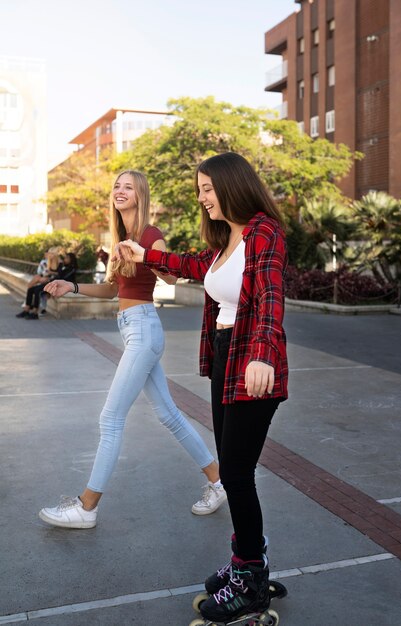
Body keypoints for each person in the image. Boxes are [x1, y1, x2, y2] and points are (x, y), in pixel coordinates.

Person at [113, 153, 289, 623]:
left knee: (235, 473)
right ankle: (247, 560)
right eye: (200, 190)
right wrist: (144, 254)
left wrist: (263, 353)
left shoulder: (263, 233)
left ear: (232, 185)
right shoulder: (225, 240)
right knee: (234, 470)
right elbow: (191, 265)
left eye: (208, 189)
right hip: (227, 356)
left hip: (254, 361)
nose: (202, 198)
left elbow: (271, 296)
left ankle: (250, 579)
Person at [38, 169, 226, 530]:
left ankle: (86, 507)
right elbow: (112, 291)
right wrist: (70, 287)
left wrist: (144, 255)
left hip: (143, 329)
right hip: (133, 328)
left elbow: (171, 277)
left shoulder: (150, 236)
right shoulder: (121, 238)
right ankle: (219, 483)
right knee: (169, 415)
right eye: (116, 186)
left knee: (110, 419)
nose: (120, 191)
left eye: (128, 187)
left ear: (140, 195)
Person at [16, 247, 63, 320]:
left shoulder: (60, 262)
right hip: (49, 281)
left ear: (55, 254)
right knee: (31, 289)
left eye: (51, 253)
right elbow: (46, 273)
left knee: (37, 290)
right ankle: (26, 310)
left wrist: (50, 273)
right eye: (49, 253)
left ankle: (35, 312)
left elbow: (60, 275)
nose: (49, 255)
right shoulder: (50, 262)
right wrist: (45, 275)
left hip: (55, 283)